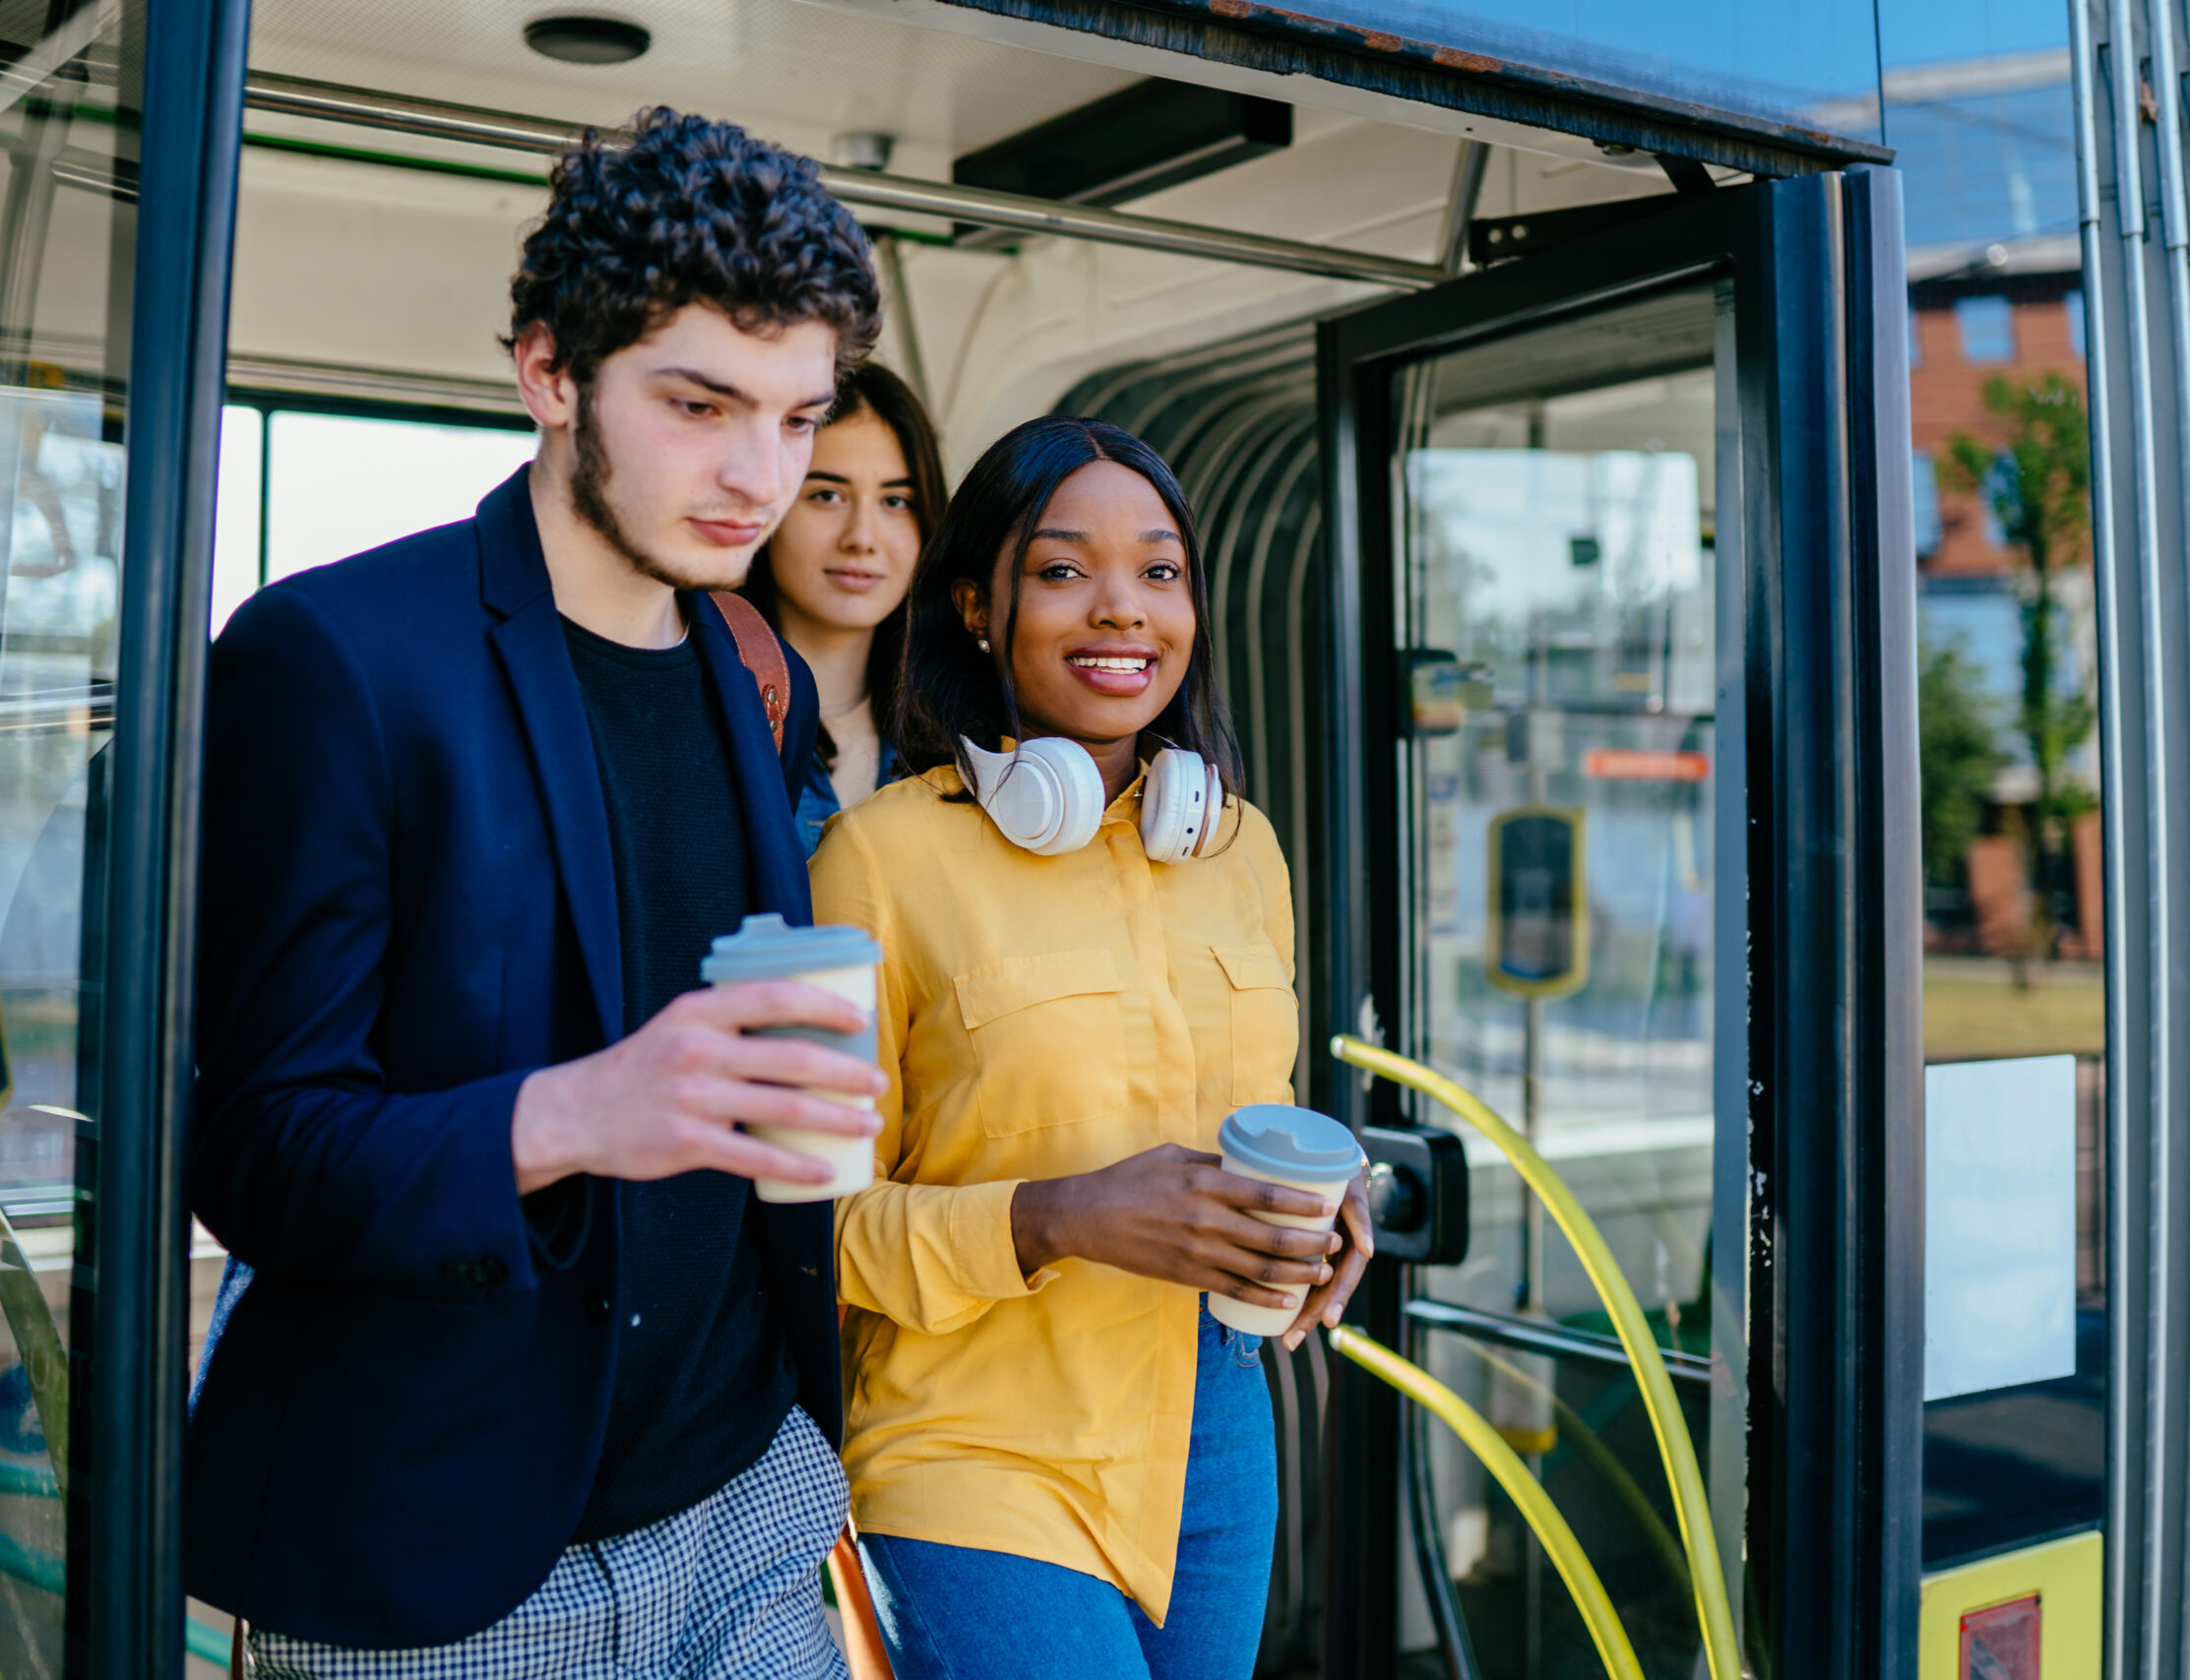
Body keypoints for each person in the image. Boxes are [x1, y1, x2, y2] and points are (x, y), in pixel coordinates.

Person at [185, 110, 888, 1679]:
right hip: (449, 1555)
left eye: (797, 417)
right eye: (700, 404)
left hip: (749, 1499)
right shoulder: (335, 660)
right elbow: (248, 1149)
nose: (758, 476)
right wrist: (573, 1115)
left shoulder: (751, 669)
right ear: (551, 372)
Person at [807, 416, 1375, 1680]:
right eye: (1063, 571)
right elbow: (807, 1230)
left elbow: (1263, 1123)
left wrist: (1334, 1217)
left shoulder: (1243, 850)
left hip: (1216, 1430)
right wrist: (1054, 1216)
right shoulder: (876, 862)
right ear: (974, 606)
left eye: (1159, 571)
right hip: (975, 1446)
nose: (1122, 610)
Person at [738, 361, 946, 853]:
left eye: (895, 501)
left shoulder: (960, 735)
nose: (863, 539)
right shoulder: (705, 716)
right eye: (828, 495)